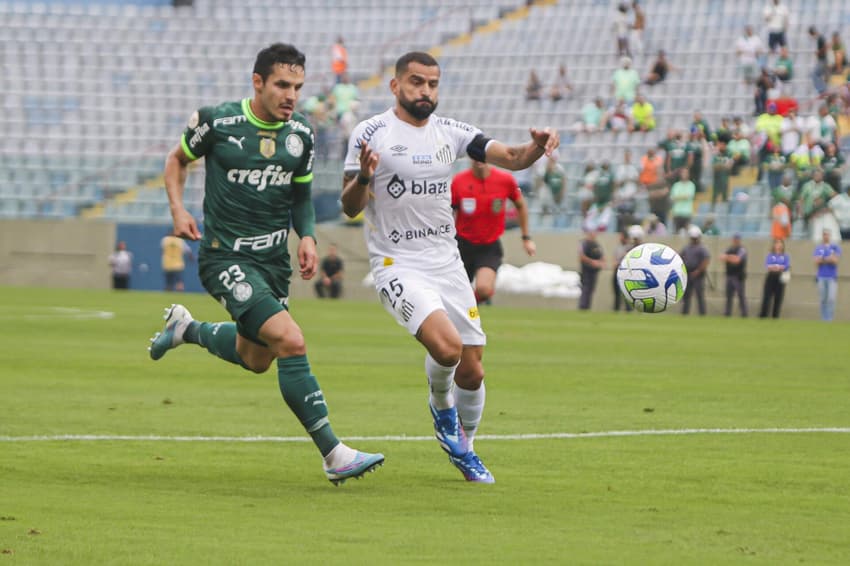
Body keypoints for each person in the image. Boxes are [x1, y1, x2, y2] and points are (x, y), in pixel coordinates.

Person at [148, 43, 384, 485]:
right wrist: (178, 209)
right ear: (257, 82)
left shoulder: (302, 135)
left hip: (272, 262)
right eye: (281, 84)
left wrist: (308, 237)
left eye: (297, 85)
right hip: (225, 257)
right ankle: (335, 454)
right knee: (291, 341)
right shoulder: (217, 122)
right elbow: (177, 159)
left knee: (256, 358)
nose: (291, 94)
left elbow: (300, 196)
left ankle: (187, 330)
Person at [341, 51, 559, 483]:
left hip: (447, 262)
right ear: (396, 86)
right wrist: (365, 178)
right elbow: (349, 207)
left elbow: (512, 157)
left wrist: (537, 145)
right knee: (446, 349)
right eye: (417, 82)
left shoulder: (451, 132)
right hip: (397, 263)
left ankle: (467, 448)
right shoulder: (371, 133)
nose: (425, 91)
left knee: (473, 367)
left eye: (433, 84)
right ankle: (442, 412)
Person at [452, 159, 535, 304]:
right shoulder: (459, 181)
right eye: (474, 155)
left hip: (489, 246)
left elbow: (521, 205)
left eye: (482, 154)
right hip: (463, 245)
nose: (479, 159)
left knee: (484, 289)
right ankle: (463, 312)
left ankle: (467, 307)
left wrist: (526, 238)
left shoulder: (505, 180)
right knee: (455, 293)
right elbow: (449, 212)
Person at [680, 225, 710, 315]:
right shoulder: (686, 248)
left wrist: (698, 271)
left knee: (699, 295)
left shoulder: (702, 248)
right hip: (688, 273)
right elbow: (680, 257)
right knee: (686, 295)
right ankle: (684, 313)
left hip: (698, 274)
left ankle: (702, 313)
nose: (693, 239)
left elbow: (706, 260)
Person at [813, 229, 841, 321]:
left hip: (832, 277)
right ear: (822, 236)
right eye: (824, 235)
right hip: (821, 276)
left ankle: (829, 319)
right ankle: (824, 319)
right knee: (823, 299)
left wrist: (823, 259)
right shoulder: (818, 248)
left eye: (827, 235)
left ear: (830, 236)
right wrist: (828, 258)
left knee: (831, 299)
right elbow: (816, 261)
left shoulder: (835, 247)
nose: (826, 236)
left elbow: (835, 260)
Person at [759, 238, 790, 318]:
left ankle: (775, 317)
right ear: (774, 245)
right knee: (766, 297)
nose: (779, 245)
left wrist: (777, 267)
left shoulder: (785, 256)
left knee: (778, 298)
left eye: (780, 243)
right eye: (777, 243)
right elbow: (768, 266)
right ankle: (763, 315)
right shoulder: (770, 255)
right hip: (771, 277)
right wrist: (777, 267)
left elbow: (786, 266)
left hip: (780, 278)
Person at [719, 233, 749, 317]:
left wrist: (728, 257)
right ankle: (727, 313)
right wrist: (731, 257)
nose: (735, 241)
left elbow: (737, 260)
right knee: (728, 296)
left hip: (738, 276)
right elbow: (721, 257)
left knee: (741, 296)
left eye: (737, 239)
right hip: (729, 275)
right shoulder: (730, 249)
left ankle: (744, 313)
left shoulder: (742, 250)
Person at [578, 229, 605, 310]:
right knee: (585, 288)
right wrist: (592, 262)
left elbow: (602, 256)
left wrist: (601, 263)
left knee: (591, 289)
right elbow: (581, 257)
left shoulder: (597, 244)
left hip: (594, 271)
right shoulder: (584, 244)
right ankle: (583, 307)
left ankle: (587, 307)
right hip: (586, 270)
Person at [669, 167, 696, 234]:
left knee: (687, 232)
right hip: (677, 212)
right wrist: (683, 196)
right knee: (675, 232)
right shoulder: (676, 185)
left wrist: (678, 197)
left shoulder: (691, 185)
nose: (684, 174)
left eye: (686, 173)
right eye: (683, 173)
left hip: (687, 212)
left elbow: (688, 196)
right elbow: (673, 198)